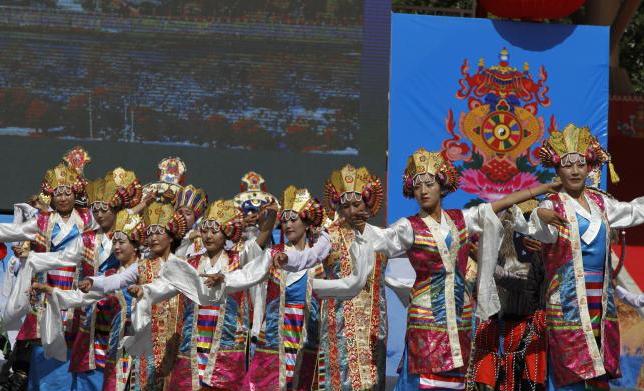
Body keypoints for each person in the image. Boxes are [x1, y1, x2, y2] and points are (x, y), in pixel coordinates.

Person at [352, 147, 559, 390]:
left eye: (429, 184)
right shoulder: (408, 227)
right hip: (426, 315)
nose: (423, 191)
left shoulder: (460, 219)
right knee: (426, 380)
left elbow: (497, 206)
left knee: (454, 382)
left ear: (441, 186)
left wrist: (540, 189)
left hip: (459, 314)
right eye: (417, 186)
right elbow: (380, 238)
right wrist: (357, 222)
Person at [515, 124, 644, 390]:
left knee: (598, 372)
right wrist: (539, 215)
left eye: (580, 164)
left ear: (589, 168)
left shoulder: (601, 203)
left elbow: (633, 211)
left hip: (600, 301)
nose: (574, 170)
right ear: (557, 170)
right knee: (568, 372)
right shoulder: (551, 205)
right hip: (568, 300)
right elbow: (532, 229)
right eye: (567, 165)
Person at [282, 164, 389, 390]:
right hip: (340, 318)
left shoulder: (380, 236)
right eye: (346, 205)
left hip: (374, 320)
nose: (351, 211)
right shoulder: (330, 235)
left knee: (372, 379)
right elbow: (309, 257)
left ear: (367, 203)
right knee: (342, 378)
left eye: (356, 204)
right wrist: (286, 259)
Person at [0, 148, 95, 391]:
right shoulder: (43, 221)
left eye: (67, 193)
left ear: (76, 194)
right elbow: (11, 231)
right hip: (46, 293)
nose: (62, 198)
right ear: (50, 197)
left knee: (76, 348)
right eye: (58, 193)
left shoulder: (87, 220)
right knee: (43, 349)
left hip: (76, 293)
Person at [32, 210, 146, 390]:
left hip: (133, 353)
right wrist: (51, 290)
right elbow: (80, 297)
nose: (116, 247)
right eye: (114, 242)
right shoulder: (108, 274)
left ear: (136, 246)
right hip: (102, 352)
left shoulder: (146, 274)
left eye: (121, 242)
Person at [469, 201, 548, 391]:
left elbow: (522, 284)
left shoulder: (538, 250)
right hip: (496, 326)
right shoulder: (500, 247)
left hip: (526, 328)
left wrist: (487, 265)